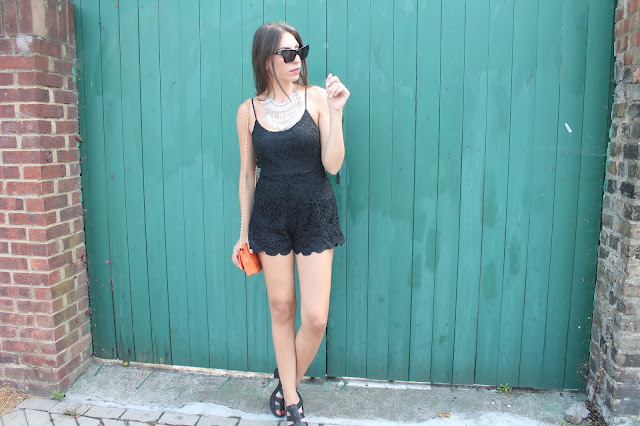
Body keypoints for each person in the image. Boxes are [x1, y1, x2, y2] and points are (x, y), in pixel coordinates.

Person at [230, 21, 349, 426]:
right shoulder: (248, 112)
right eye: (287, 53)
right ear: (266, 60)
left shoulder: (316, 98)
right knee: (281, 309)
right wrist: (243, 234)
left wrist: (337, 112)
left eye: (301, 51)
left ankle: (285, 383)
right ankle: (293, 400)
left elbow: (333, 164)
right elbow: (247, 176)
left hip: (314, 211)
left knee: (315, 318)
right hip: (270, 218)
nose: (297, 60)